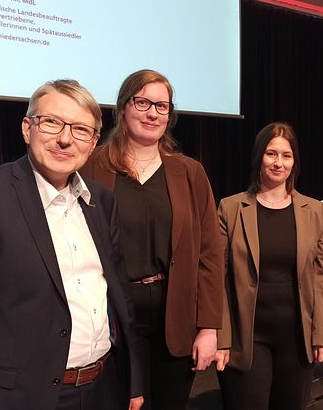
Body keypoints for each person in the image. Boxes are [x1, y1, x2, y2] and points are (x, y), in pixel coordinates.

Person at [0, 80, 143, 410]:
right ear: (27, 128)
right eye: (52, 122)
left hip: (103, 389)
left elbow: (118, 298)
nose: (64, 138)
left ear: (92, 143)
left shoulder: (100, 202)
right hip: (22, 397)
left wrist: (132, 381)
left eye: (80, 129)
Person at [80, 70, 224, 409]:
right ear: (123, 107)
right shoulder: (92, 167)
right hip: (115, 312)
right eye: (142, 102)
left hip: (174, 313)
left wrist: (209, 328)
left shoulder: (189, 172)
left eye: (162, 105)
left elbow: (210, 256)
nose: (152, 113)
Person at [215, 122, 323, 410]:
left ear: (294, 162)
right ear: (259, 157)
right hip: (247, 336)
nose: (278, 162)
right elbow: (217, 279)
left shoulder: (314, 210)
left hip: (296, 338)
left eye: (286, 155)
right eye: (271, 154)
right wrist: (220, 337)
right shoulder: (231, 208)